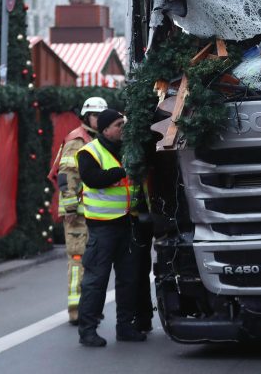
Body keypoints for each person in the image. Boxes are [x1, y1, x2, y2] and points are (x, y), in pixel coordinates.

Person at [76, 108, 146, 347]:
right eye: (118, 125)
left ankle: (125, 327)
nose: (123, 129)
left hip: (127, 224)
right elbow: (93, 179)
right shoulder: (89, 152)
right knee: (96, 281)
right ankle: (88, 330)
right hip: (103, 228)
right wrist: (118, 172)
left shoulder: (129, 151)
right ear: (105, 129)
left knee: (128, 279)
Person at [48, 96, 106, 326]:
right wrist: (71, 207)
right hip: (77, 214)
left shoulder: (93, 138)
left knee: (91, 261)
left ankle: (88, 308)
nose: (99, 119)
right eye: (95, 115)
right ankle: (76, 308)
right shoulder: (77, 140)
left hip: (90, 212)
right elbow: (67, 177)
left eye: (101, 116)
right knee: (78, 260)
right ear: (85, 116)